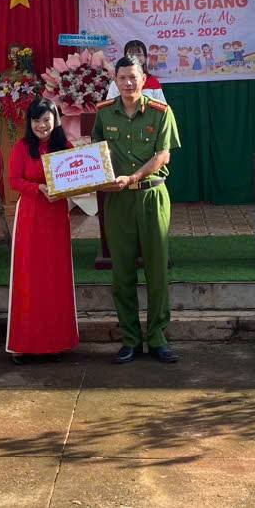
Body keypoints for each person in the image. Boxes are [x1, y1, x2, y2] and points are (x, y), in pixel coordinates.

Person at [92, 57, 181, 364]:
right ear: (115, 81)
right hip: (118, 202)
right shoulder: (104, 113)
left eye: (133, 77)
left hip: (152, 196)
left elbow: (162, 156)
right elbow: (96, 153)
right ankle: (130, 339)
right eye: (122, 78)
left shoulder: (161, 112)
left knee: (157, 271)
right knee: (122, 272)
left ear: (144, 80)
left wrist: (133, 177)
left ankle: (157, 337)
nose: (128, 83)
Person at [5, 97, 79, 364]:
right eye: (36, 120)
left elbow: (78, 176)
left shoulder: (66, 147)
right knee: (28, 276)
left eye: (46, 119)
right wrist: (38, 188)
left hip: (57, 217)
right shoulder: (22, 147)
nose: (41, 125)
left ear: (55, 120)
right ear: (30, 122)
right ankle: (23, 344)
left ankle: (55, 342)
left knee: (55, 276)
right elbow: (14, 180)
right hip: (31, 216)